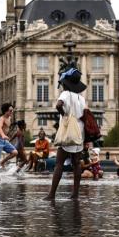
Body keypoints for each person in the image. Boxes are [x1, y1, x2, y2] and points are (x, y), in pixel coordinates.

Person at [45, 68, 87, 200]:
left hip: (68, 129)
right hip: (79, 131)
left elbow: (58, 105)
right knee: (76, 163)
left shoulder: (65, 94)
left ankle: (51, 194)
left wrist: (64, 116)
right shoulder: (81, 98)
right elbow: (84, 114)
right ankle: (75, 194)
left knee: (59, 162)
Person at [0, 103, 18, 180]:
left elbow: (0, 126)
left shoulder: (9, 118)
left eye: (12, 110)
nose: (12, 112)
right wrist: (3, 135)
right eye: (10, 110)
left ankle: (3, 162)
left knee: (15, 152)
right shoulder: (2, 118)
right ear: (5, 111)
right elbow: (0, 128)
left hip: (4, 141)